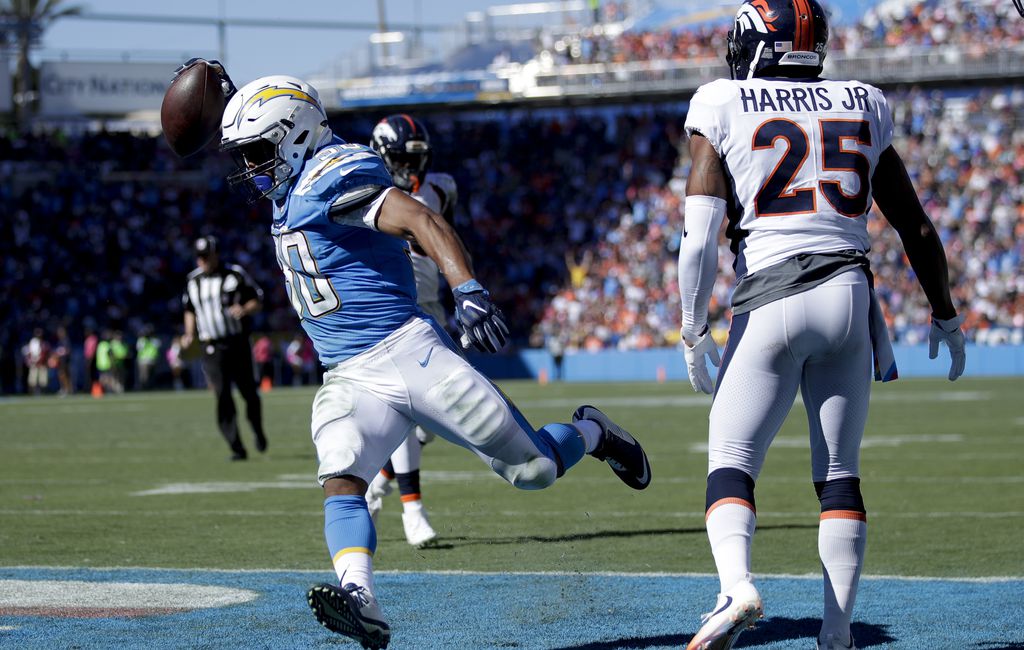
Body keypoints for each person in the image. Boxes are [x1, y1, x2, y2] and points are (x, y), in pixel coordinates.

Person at [213, 70, 652, 649]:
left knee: (535, 471)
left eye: (259, 151)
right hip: (348, 373)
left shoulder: (333, 172)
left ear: (294, 136)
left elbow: (422, 219)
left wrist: (468, 289)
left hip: (409, 351)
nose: (252, 167)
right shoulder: (294, 180)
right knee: (340, 475)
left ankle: (592, 433)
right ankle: (360, 599)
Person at [677, 2, 967, 649]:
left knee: (731, 459)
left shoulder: (721, 100)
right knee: (839, 470)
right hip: (848, 297)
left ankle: (736, 586)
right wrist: (944, 313)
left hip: (770, 295)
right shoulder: (864, 100)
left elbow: (697, 240)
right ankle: (837, 635)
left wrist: (693, 328)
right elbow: (915, 226)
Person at [363, 113, 462, 548]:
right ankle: (413, 510)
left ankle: (380, 481)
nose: (413, 167)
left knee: (434, 420)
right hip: (392, 308)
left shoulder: (441, 187)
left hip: (433, 305)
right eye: (405, 158)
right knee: (409, 412)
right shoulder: (363, 187)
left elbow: (444, 233)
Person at [181, 235, 268, 460]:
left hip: (237, 341)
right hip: (211, 345)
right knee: (222, 395)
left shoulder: (235, 274)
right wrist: (189, 333)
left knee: (249, 393)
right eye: (199, 257)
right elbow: (189, 308)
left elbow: (257, 299)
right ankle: (236, 447)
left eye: (206, 256)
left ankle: (257, 430)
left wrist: (244, 309)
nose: (202, 261)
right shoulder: (193, 280)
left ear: (216, 255)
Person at [22, 328, 49, 395]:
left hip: (42, 363)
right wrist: (31, 360)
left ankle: (42, 393)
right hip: (34, 362)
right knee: (32, 379)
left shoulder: (44, 342)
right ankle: (32, 393)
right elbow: (30, 353)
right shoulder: (33, 342)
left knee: (43, 380)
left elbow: (44, 353)